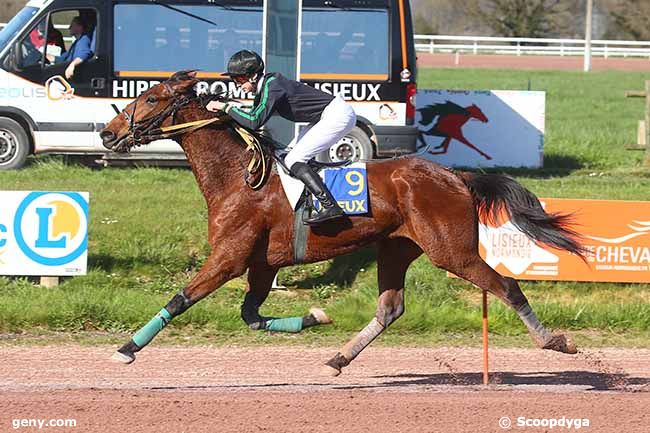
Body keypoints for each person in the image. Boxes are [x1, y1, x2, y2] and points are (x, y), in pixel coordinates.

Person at [206, 50, 357, 225]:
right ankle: (312, 196)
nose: (237, 84)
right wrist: (227, 110)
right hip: (324, 116)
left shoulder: (273, 85)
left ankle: (330, 206)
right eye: (234, 80)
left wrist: (226, 108)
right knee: (286, 157)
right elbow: (252, 116)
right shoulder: (266, 87)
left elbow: (255, 121)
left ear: (253, 76)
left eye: (239, 79)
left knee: (294, 159)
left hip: (337, 115)